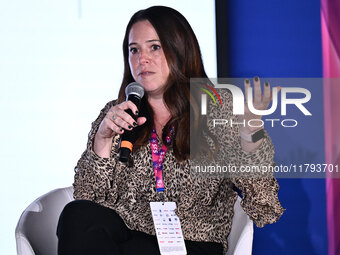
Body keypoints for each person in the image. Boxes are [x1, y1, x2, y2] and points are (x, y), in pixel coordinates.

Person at [57, 5, 284, 255]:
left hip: (194, 242)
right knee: (76, 214)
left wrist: (249, 137)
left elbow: (265, 207)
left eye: (155, 47)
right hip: (132, 232)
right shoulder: (118, 113)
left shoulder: (219, 110)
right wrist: (102, 139)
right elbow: (88, 197)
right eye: (134, 50)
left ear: (180, 49)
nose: (142, 59)